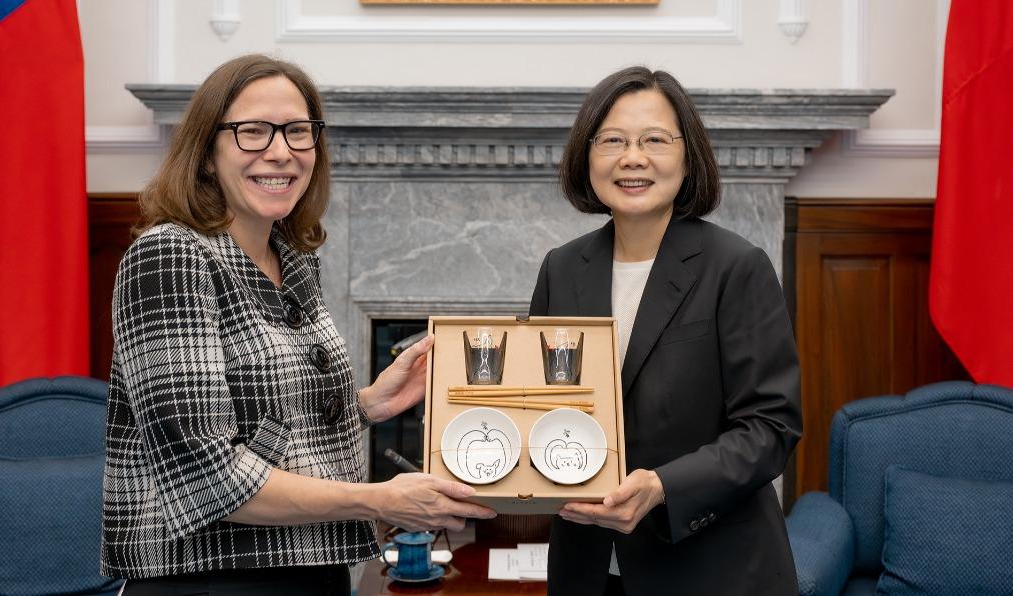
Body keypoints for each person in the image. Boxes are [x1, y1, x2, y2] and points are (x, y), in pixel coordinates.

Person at [101, 54, 495, 595]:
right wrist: (380, 498)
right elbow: (205, 474)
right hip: (210, 580)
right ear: (207, 153)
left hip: (312, 569)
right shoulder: (171, 256)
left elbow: (267, 421)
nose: (281, 151)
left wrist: (366, 404)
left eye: (297, 131)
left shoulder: (293, 256)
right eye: (252, 132)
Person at [529, 66, 802, 596]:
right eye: (612, 141)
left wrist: (662, 487)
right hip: (586, 568)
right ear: (587, 158)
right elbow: (543, 406)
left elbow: (771, 427)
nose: (633, 157)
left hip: (711, 569)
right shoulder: (560, 268)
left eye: (654, 139)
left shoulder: (736, 267)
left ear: (687, 154)